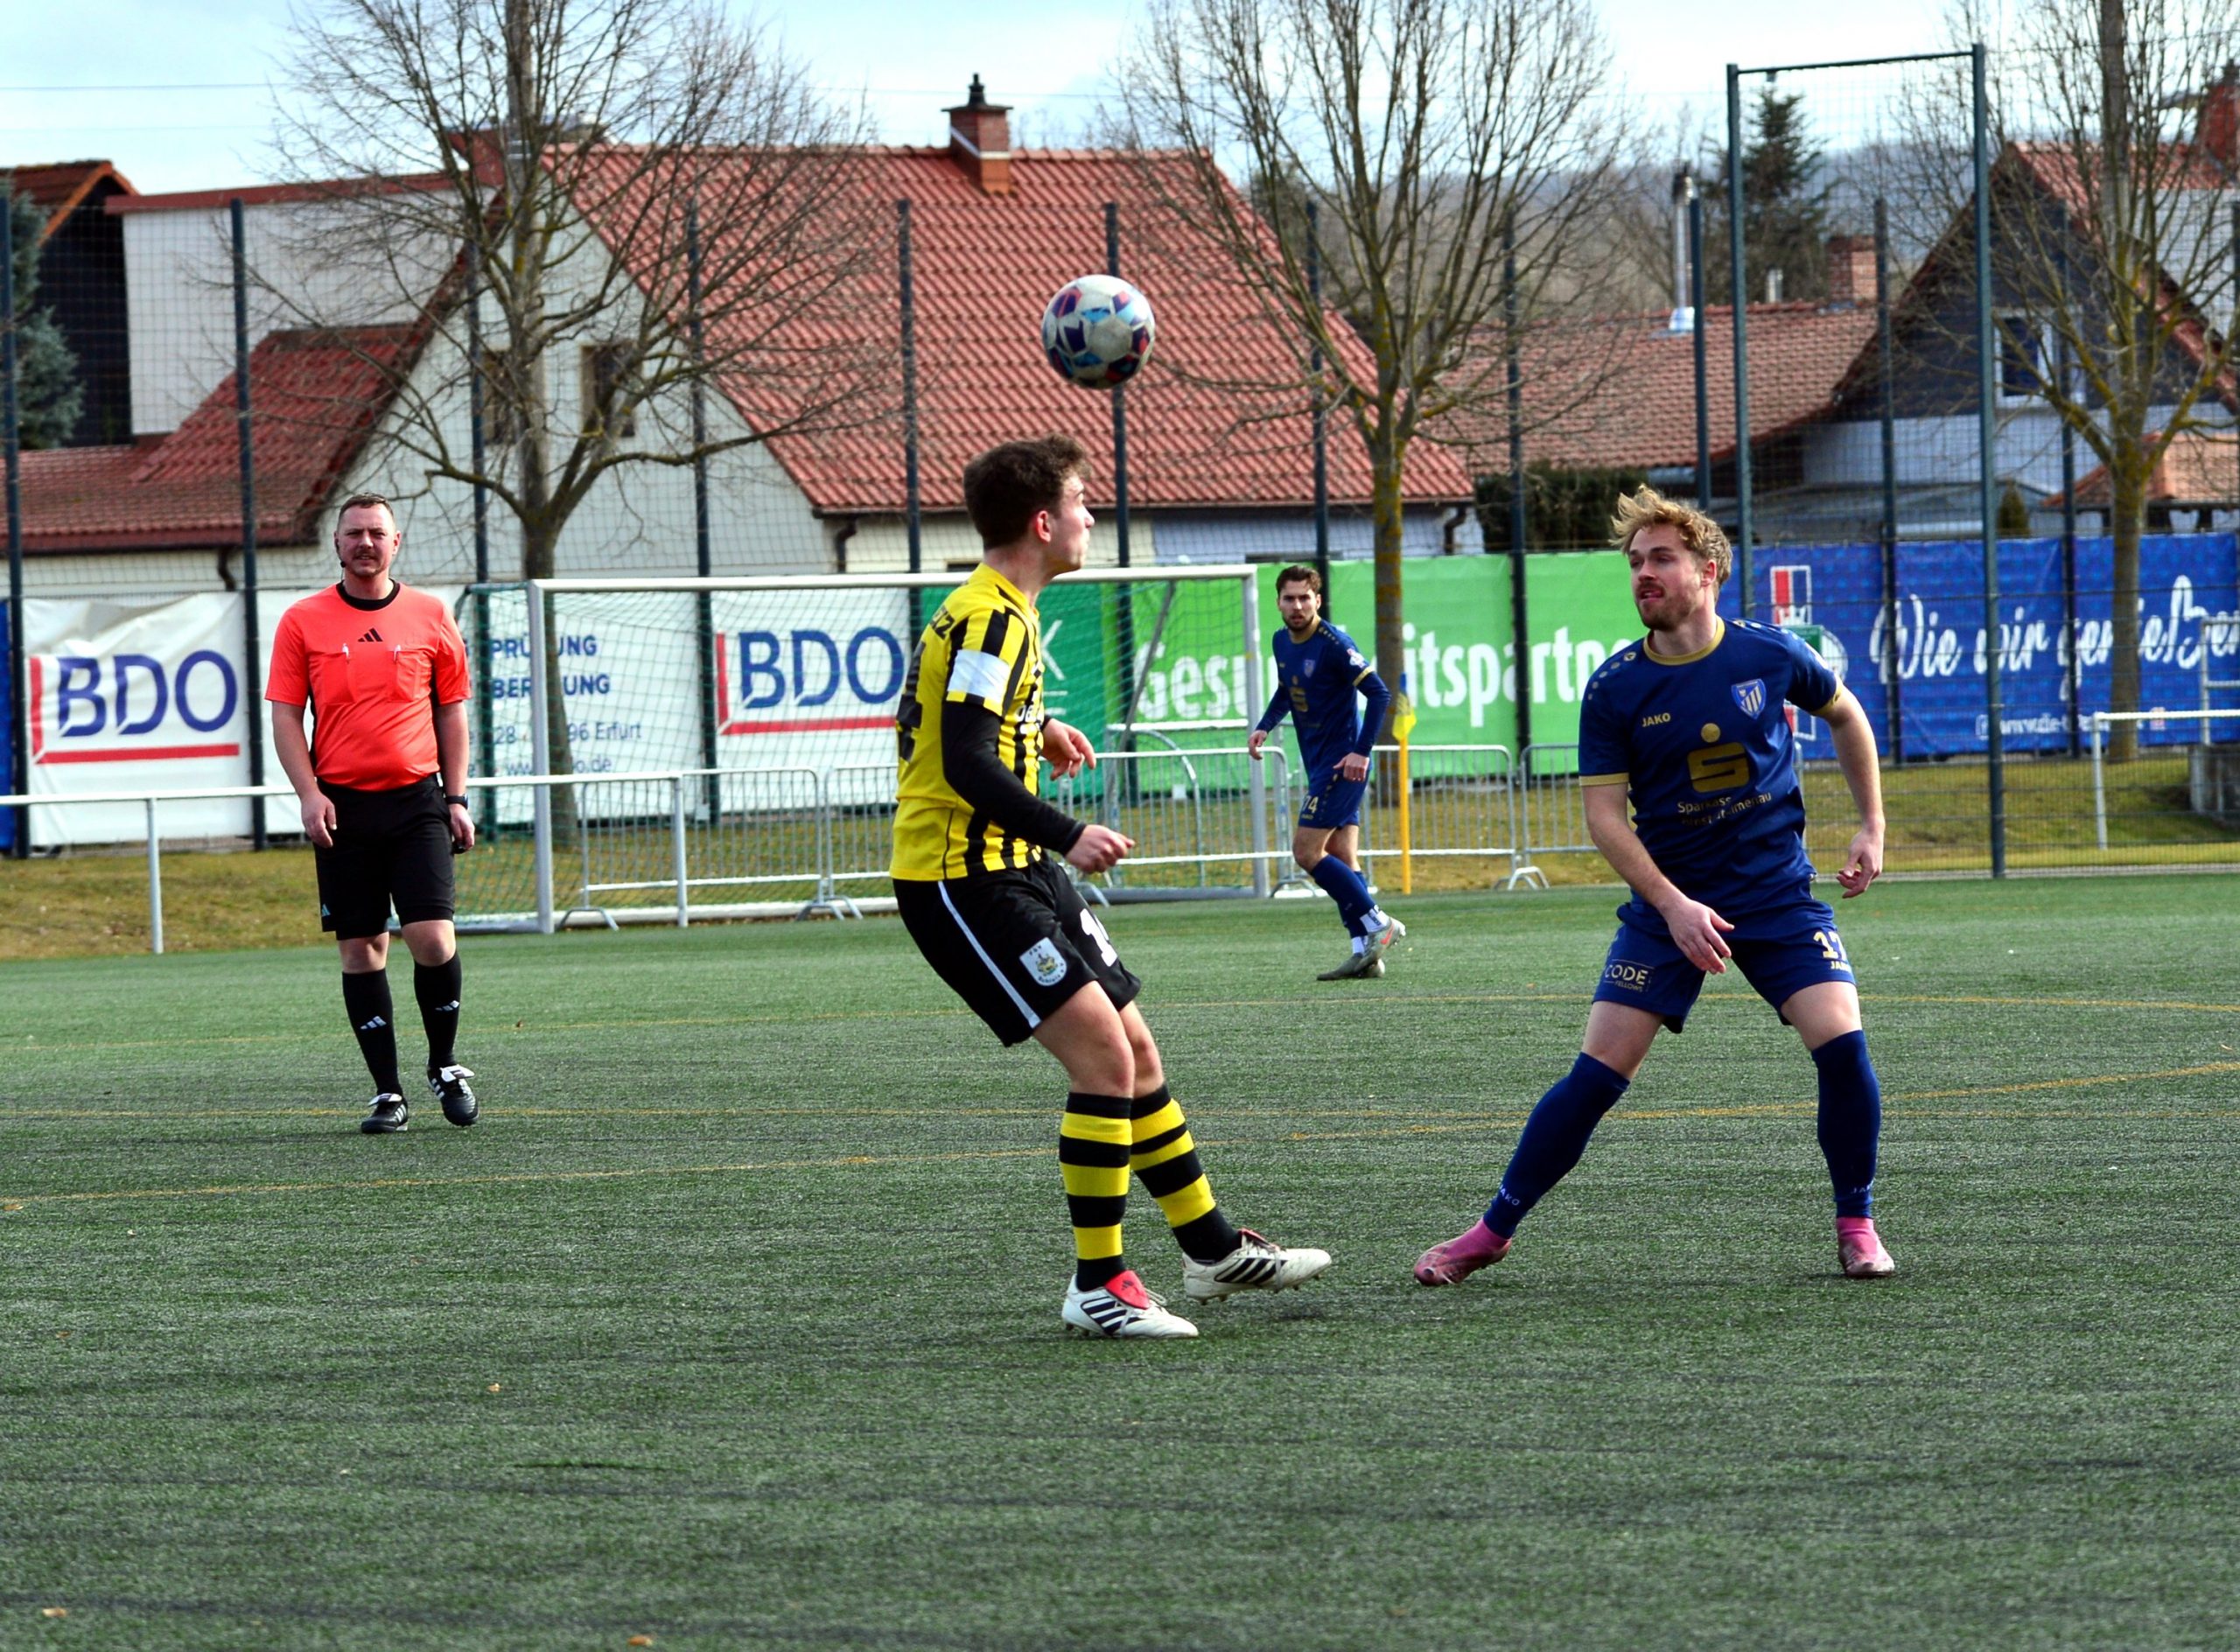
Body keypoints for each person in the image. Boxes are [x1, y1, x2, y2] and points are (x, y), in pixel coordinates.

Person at [890, 436, 1331, 1338]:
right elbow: (962, 758)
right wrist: (1070, 830)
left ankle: (1211, 1250)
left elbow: (960, 718)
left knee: (1137, 1050)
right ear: (1042, 523)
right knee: (1103, 1060)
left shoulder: (1000, 610)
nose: (1091, 516)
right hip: (961, 879)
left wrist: (1039, 725)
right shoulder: (990, 616)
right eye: (1081, 502)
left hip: (1015, 865)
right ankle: (1099, 1285)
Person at [1413, 486, 1896, 1284]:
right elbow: (1604, 818)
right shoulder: (1615, 687)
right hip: (1666, 905)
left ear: (1709, 571)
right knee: (1596, 1075)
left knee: (1843, 1047)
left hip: (1775, 896)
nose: (1643, 573)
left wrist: (1871, 824)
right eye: (1636, 561)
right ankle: (1491, 1232)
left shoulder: (1770, 654)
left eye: (1662, 558)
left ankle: (1857, 1224)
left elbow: (1847, 716)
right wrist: (1672, 906)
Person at [267, 494, 479, 1135]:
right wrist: (309, 794)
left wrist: (456, 796)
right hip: (343, 808)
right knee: (362, 950)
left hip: (417, 802)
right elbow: (285, 716)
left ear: (396, 542)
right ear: (336, 543)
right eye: (354, 533)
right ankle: (388, 1094)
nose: (365, 542)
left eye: (376, 533)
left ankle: (444, 1065)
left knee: (433, 938)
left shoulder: (430, 613)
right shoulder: (302, 620)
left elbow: (451, 709)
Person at [1246, 564, 1404, 981]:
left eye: (1305, 598)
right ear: (1278, 602)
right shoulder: (1282, 641)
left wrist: (1360, 752)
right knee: (1342, 858)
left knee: (1306, 852)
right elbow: (1288, 689)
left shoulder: (1335, 644)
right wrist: (1265, 725)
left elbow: (1379, 693)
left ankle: (1378, 923)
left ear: (1318, 600)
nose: (1297, 606)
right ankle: (1364, 952)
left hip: (1340, 764)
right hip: (1319, 761)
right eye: (1289, 598)